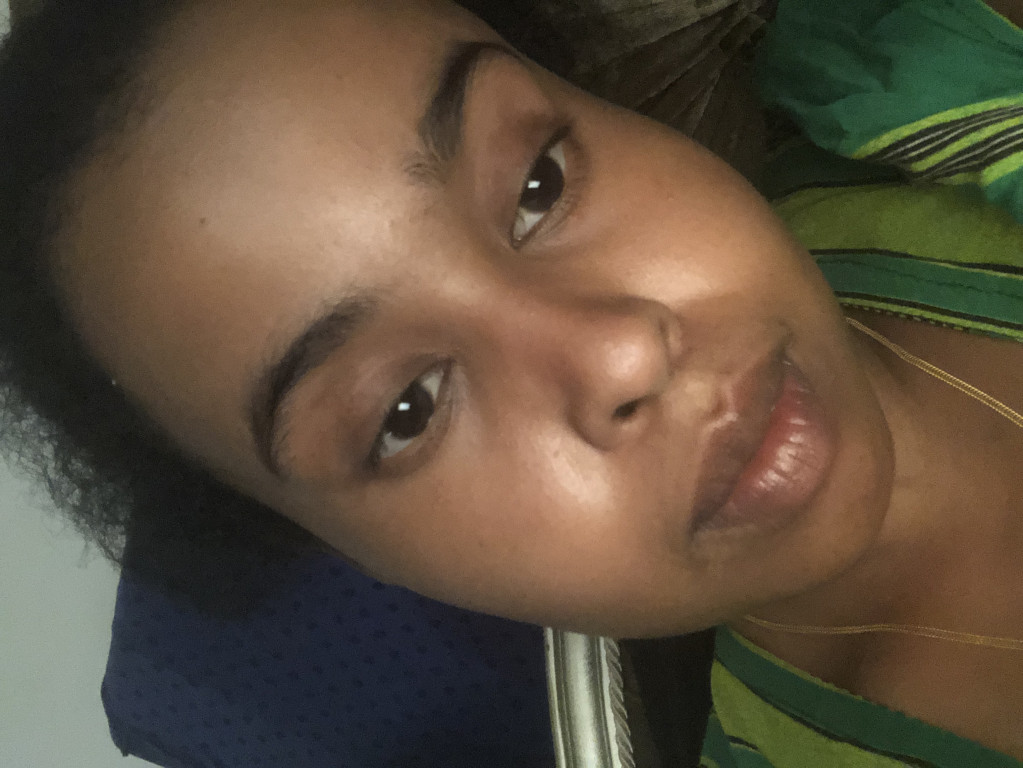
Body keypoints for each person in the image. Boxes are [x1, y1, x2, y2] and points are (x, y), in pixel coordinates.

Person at [0, 0, 1020, 765]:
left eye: (540, 184)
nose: (621, 354)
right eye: (408, 412)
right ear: (350, 556)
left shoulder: (901, 71)